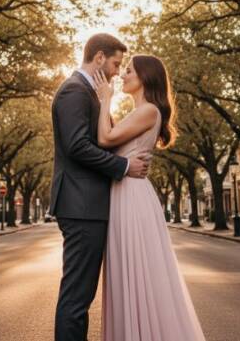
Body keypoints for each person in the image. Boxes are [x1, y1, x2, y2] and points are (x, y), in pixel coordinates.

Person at [93, 54, 206, 341]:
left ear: (145, 77)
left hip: (132, 197)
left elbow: (105, 139)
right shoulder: (139, 112)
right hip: (125, 193)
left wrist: (105, 98)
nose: (123, 75)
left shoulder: (149, 111)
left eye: (129, 70)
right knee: (127, 273)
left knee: (137, 273)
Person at [50, 33, 151, 341]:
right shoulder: (74, 91)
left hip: (87, 206)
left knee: (81, 296)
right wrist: (124, 166)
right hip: (81, 206)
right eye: (116, 64)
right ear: (99, 58)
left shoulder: (88, 92)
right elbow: (77, 146)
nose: (118, 72)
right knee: (77, 297)